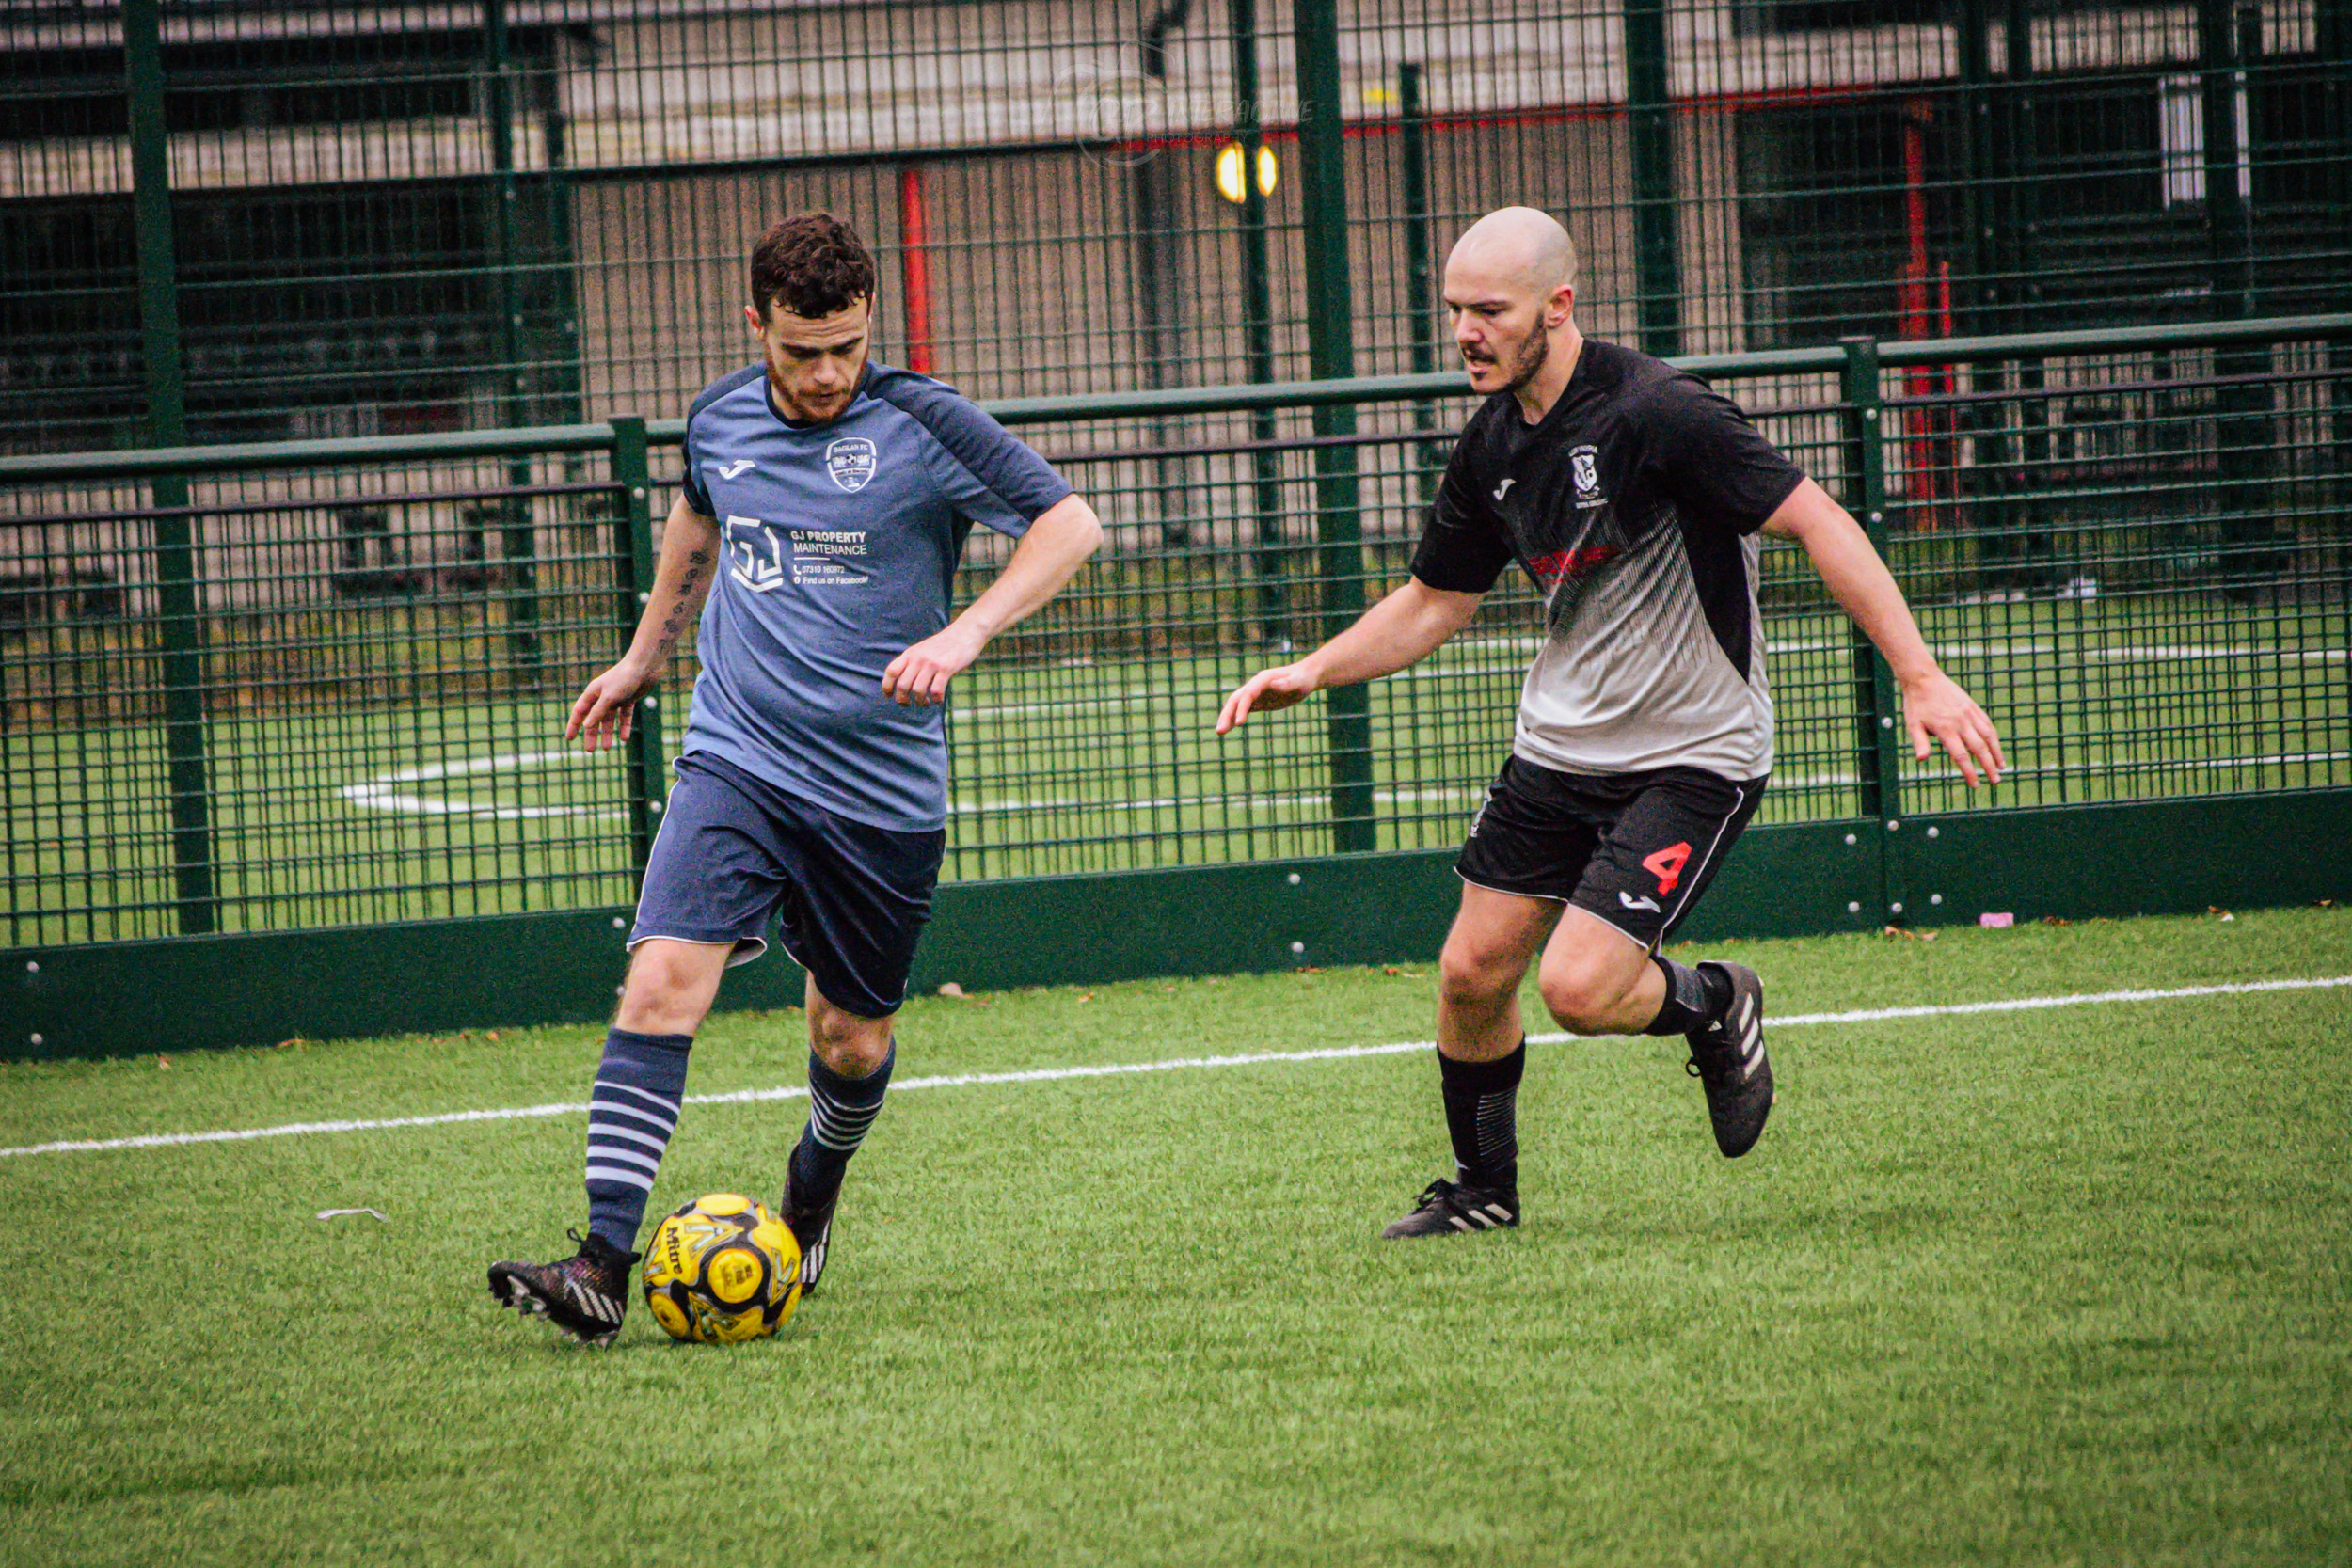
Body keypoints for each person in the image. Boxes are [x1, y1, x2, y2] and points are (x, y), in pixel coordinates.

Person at [1216, 207, 2003, 1238]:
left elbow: (1817, 518)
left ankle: (1714, 1000)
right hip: (1557, 748)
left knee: (1580, 989)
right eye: (1453, 310)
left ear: (1558, 304)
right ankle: (1481, 1193)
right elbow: (1434, 599)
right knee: (1470, 975)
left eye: (1489, 310)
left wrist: (1919, 674)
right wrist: (1310, 672)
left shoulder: (1658, 412)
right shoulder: (1490, 440)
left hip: (1692, 752)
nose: (1466, 331)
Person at [490, 212, 1103, 1339]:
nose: (825, 374)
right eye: (800, 350)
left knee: (849, 1040)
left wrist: (964, 634)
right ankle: (600, 1264)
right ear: (755, 324)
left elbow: (1069, 524)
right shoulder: (719, 416)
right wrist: (641, 659)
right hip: (738, 756)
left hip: (879, 794)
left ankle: (810, 1192)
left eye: (845, 347)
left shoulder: (922, 420)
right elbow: (697, 519)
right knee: (662, 981)